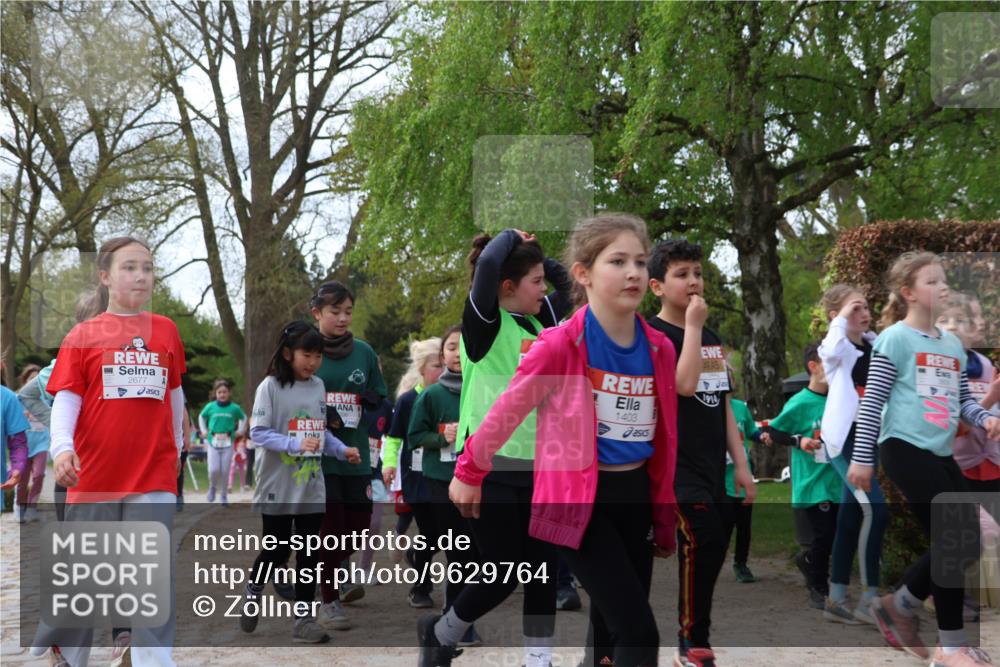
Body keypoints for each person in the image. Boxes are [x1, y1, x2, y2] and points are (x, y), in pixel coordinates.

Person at [448, 213, 679, 667]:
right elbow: (506, 410)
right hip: (578, 500)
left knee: (610, 634)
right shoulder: (558, 342)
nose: (633, 271)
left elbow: (665, 441)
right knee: (639, 631)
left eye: (640, 261)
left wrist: (664, 515)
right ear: (584, 274)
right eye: (617, 261)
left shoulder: (660, 349)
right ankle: (446, 631)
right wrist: (469, 470)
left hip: (634, 499)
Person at [416, 228, 572, 667]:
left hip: (542, 465)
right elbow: (487, 267)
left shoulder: (548, 324)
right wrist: (509, 237)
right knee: (503, 572)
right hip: (489, 465)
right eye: (535, 281)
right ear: (508, 287)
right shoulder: (484, 324)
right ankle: (441, 632)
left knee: (542, 569)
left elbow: (573, 286)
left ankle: (538, 661)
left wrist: (537, 257)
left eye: (543, 281)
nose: (544, 289)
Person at [32, 236, 186, 667]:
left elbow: (174, 394)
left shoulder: (167, 330)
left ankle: (154, 659)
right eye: (130, 267)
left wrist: (174, 447)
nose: (141, 276)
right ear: (105, 276)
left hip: (152, 474)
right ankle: (68, 652)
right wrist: (63, 449)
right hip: (94, 475)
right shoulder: (82, 335)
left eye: (148, 268)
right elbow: (66, 398)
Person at [847, 251, 1000, 666]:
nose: (943, 287)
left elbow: (963, 401)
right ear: (908, 293)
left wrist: (985, 418)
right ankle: (950, 647)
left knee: (966, 540)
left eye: (944, 280)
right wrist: (862, 460)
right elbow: (873, 401)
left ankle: (900, 604)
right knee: (957, 537)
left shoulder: (951, 345)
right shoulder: (895, 338)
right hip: (903, 448)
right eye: (932, 281)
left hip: (941, 453)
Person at [646, 239, 756, 667]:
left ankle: (693, 638)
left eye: (697, 272)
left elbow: (721, 400)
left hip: (714, 465)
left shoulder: (710, 336)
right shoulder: (654, 334)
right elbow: (683, 386)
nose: (694, 282)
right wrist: (691, 327)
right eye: (682, 274)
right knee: (703, 536)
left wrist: (742, 465)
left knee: (712, 546)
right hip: (674, 464)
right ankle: (690, 641)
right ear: (657, 286)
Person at [237, 320, 360, 643]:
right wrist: (294, 444)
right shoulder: (270, 387)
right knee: (277, 550)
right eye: (308, 354)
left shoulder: (318, 386)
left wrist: (340, 449)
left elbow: (320, 432)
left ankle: (303, 619)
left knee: (309, 551)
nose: (313, 362)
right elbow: (259, 432)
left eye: (318, 356)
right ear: (289, 353)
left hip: (311, 486)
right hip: (277, 484)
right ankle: (253, 590)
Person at [309, 280, 388, 631]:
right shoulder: (306, 351)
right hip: (319, 456)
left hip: (358, 455)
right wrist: (323, 414)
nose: (342, 319)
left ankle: (315, 568)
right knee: (331, 528)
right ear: (317, 314)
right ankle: (329, 601)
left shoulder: (365, 353)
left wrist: (372, 405)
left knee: (357, 530)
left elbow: (379, 396)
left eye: (348, 312)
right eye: (334, 312)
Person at [817, 284, 888, 625]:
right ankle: (871, 599)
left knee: (850, 517)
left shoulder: (877, 345)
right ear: (836, 316)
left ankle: (837, 596)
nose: (864, 313)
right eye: (855, 308)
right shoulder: (837, 348)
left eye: (865, 307)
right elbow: (830, 348)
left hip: (869, 441)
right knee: (876, 509)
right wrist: (840, 320)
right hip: (843, 442)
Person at [768, 343, 842, 610]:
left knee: (835, 535)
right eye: (830, 362)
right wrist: (799, 441)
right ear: (813, 366)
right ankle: (818, 588)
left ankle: (809, 561)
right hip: (813, 483)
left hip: (838, 480)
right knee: (823, 536)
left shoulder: (839, 401)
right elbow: (775, 432)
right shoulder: (800, 402)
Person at [383, 337, 443, 609]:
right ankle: (421, 586)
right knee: (430, 530)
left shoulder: (453, 395)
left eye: (444, 365)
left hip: (444, 475)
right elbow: (394, 437)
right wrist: (389, 463)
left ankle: (416, 554)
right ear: (421, 368)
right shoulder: (408, 400)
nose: (441, 371)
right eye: (436, 365)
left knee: (441, 533)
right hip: (415, 477)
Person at [724, 390, 769, 583]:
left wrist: (761, 436)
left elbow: (751, 431)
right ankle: (711, 561)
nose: (730, 378)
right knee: (722, 526)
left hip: (742, 477)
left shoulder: (740, 407)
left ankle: (741, 564)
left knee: (744, 526)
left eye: (732, 376)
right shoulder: (710, 407)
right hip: (720, 478)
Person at [199, 379, 247, 507]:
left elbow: (243, 417)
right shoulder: (210, 407)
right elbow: (201, 417)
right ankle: (212, 487)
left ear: (229, 393)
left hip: (228, 442)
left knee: (225, 470)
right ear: (216, 393)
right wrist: (203, 430)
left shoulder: (234, 408)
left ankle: (224, 495)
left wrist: (240, 430)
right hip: (213, 442)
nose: (222, 394)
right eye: (219, 392)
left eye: (224, 392)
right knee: (213, 469)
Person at [14, 364, 50, 522]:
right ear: (25, 380)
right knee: (22, 479)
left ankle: (32, 507)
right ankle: (20, 507)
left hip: (41, 443)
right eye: (31, 378)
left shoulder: (46, 399)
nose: (34, 380)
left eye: (37, 378)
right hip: (24, 444)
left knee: (39, 475)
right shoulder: (18, 399)